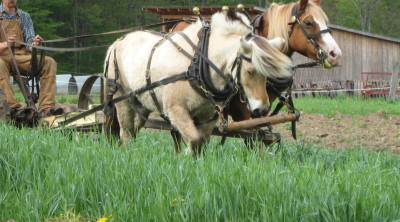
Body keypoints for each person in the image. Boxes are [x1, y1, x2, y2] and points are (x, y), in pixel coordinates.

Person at [0, 0, 62, 118]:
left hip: (21, 56)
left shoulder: (24, 17)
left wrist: (34, 44)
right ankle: (14, 108)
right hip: (2, 57)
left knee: (49, 62)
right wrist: (6, 43)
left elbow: (29, 44)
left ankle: (47, 107)